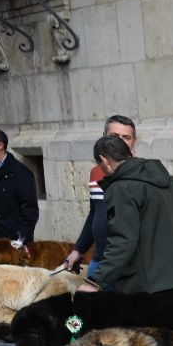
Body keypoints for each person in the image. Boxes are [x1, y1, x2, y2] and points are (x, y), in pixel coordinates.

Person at [79, 134, 173, 295]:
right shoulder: (169, 181)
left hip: (147, 290)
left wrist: (95, 281)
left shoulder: (121, 189)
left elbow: (123, 241)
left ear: (104, 160)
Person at [65, 115, 138, 278]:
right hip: (99, 260)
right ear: (103, 136)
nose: (120, 142)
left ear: (134, 141)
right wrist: (78, 250)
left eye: (126, 137)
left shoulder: (142, 173)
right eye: (114, 137)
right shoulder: (97, 172)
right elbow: (95, 214)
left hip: (130, 266)